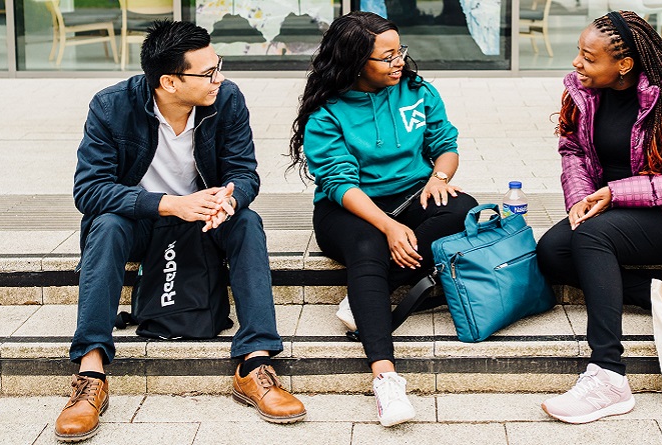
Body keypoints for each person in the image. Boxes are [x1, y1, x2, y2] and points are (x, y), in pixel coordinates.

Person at [58, 20, 305, 442]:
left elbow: (244, 173)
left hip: (205, 222)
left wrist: (229, 200)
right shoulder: (111, 106)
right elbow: (90, 190)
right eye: (207, 72)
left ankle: (255, 363)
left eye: (218, 65)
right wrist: (170, 204)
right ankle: (91, 373)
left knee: (248, 222)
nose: (219, 78)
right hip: (140, 224)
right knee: (106, 225)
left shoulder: (226, 99)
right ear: (169, 82)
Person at [535, 11, 662, 424]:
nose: (577, 63)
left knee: (592, 239)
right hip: (617, 208)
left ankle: (608, 375)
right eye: (579, 52)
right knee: (552, 251)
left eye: (589, 57)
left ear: (624, 64)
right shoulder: (583, 92)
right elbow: (573, 151)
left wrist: (616, 193)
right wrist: (580, 198)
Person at [288, 11, 477, 427]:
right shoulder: (327, 112)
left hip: (412, 193)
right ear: (356, 61)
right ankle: (386, 379)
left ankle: (365, 295)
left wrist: (439, 179)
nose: (399, 61)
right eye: (387, 56)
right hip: (348, 205)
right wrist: (389, 226)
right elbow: (339, 182)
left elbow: (445, 144)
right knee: (368, 245)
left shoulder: (416, 90)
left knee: (463, 209)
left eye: (399, 51)